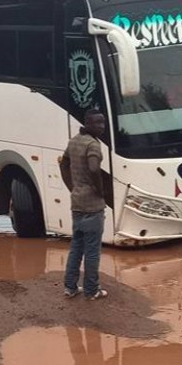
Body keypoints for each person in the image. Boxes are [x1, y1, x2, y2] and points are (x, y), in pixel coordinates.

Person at [59, 109, 109, 300]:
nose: (101, 127)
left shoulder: (74, 141)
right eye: (97, 123)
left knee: (76, 247)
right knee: (92, 251)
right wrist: (100, 190)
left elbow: (64, 164)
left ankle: (70, 287)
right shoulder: (93, 145)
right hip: (92, 206)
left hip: (77, 202)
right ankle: (91, 290)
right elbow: (94, 168)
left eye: (103, 123)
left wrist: (72, 186)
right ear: (87, 124)